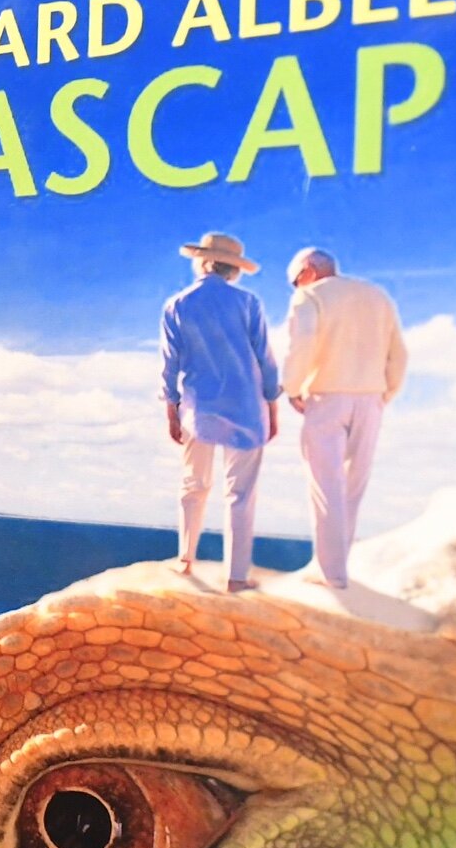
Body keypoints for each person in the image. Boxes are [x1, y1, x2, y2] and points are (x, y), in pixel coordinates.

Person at [159, 232, 280, 593]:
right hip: (247, 408)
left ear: (202, 261)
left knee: (193, 486)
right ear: (234, 268)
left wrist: (171, 408)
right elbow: (266, 360)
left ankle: (185, 560)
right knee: (241, 494)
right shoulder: (249, 303)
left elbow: (170, 364)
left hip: (199, 407)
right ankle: (237, 577)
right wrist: (273, 408)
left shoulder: (177, 304)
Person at [282, 247, 407, 589]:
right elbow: (399, 353)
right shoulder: (377, 296)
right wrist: (385, 394)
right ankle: (338, 567)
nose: (295, 288)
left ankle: (331, 574)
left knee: (326, 488)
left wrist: (292, 387)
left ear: (307, 271)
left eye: (294, 281)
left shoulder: (309, 296)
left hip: (327, 397)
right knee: (353, 488)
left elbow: (302, 343)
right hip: (371, 400)